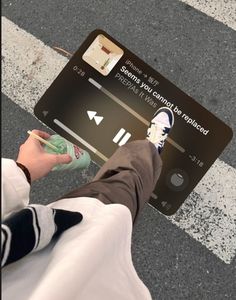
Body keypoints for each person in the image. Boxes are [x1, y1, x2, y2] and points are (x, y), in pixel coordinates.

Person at [1, 107, 174, 300]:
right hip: (86, 246)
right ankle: (150, 149)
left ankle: (147, 153)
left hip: (58, 233)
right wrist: (20, 171)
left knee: (114, 198)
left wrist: (22, 171)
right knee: (127, 182)